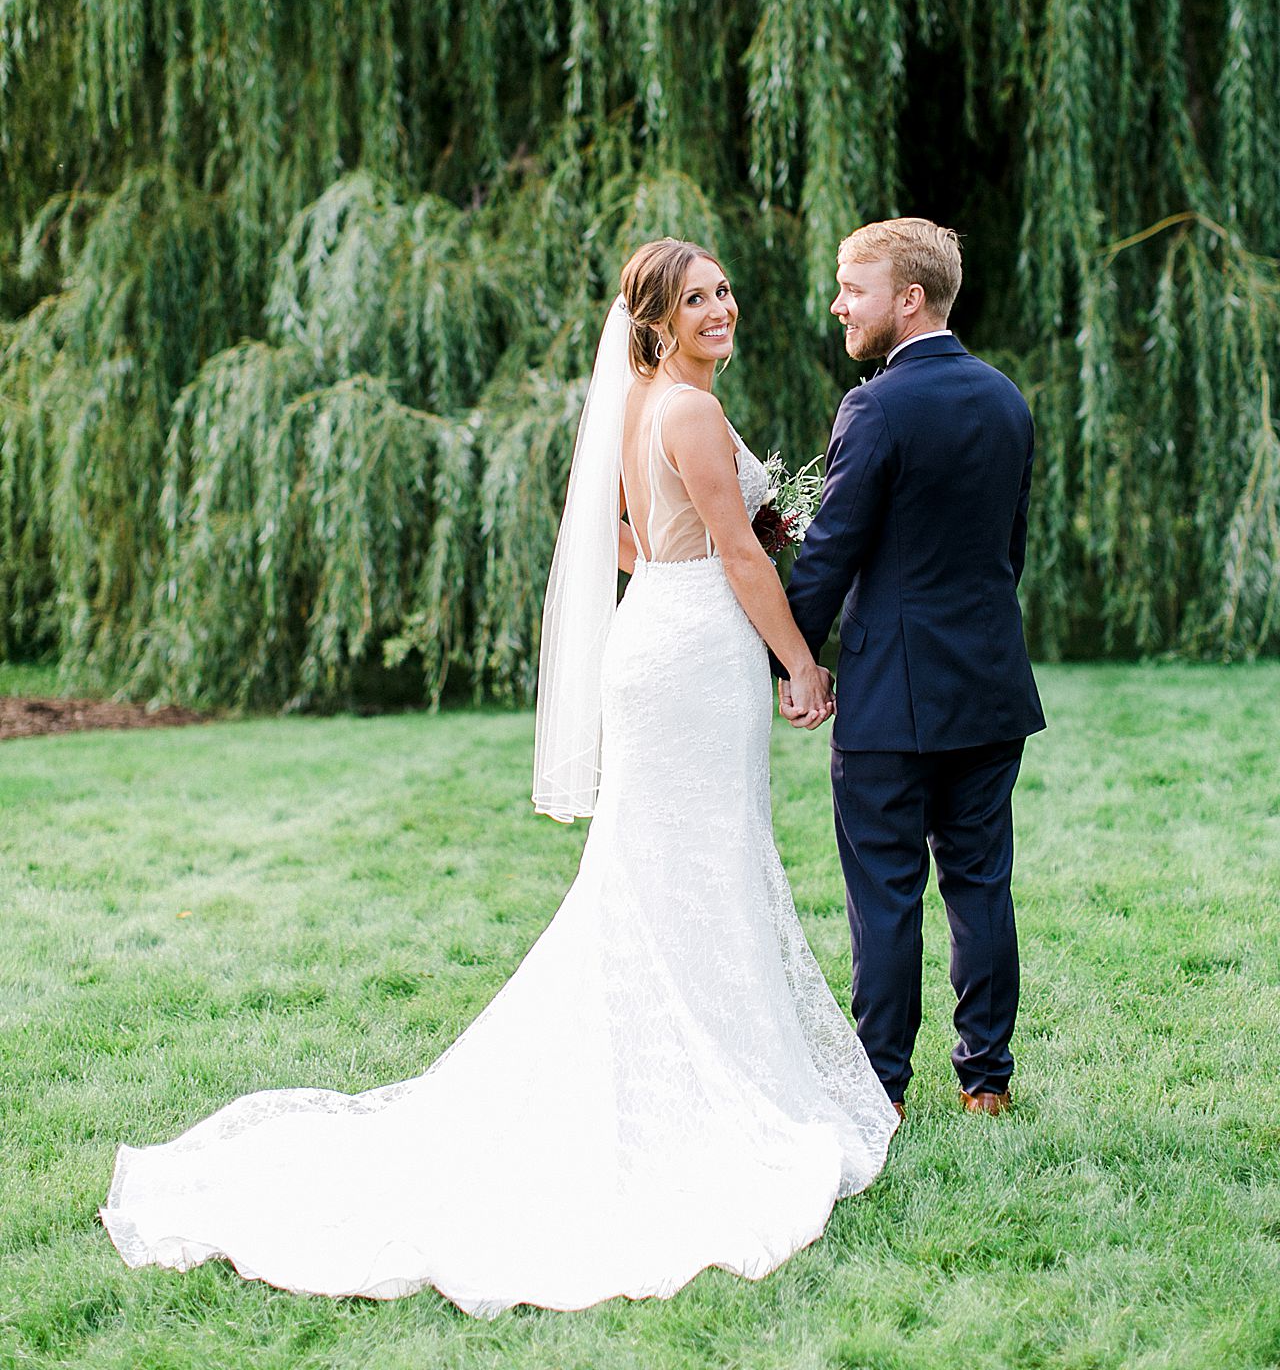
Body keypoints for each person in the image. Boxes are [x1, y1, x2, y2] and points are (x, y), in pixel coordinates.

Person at [102, 237, 897, 1316]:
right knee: (697, 858)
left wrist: (684, 567)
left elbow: (618, 536)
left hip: (655, 636)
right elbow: (741, 557)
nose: (720, 308)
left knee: (669, 861)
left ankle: (690, 1060)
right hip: (696, 657)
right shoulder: (691, 412)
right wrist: (799, 662)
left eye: (721, 290)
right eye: (694, 298)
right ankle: (709, 1083)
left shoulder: (639, 403)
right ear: (653, 321)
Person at [778, 218, 1044, 1118]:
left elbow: (835, 552)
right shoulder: (1008, 399)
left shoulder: (878, 406)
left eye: (853, 288)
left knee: (885, 894)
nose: (838, 305)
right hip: (990, 684)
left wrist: (787, 653)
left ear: (909, 298)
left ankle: (881, 1089)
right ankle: (986, 1084)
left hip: (894, 694)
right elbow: (1006, 549)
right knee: (980, 885)